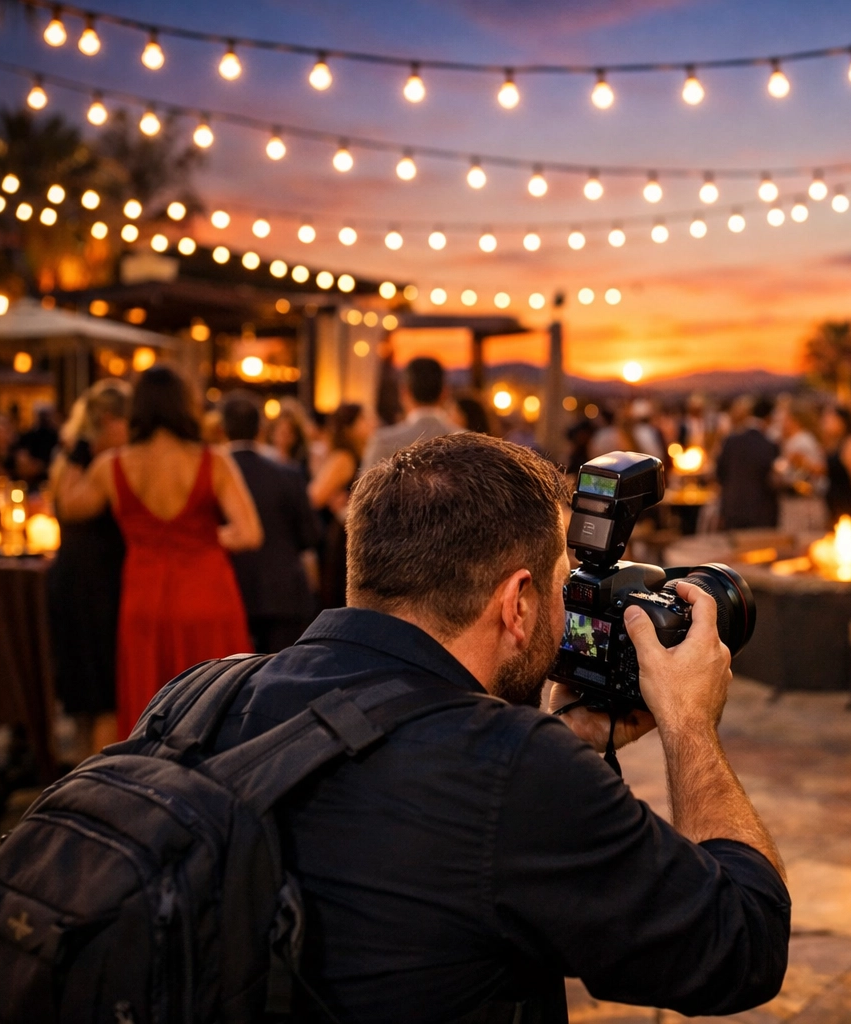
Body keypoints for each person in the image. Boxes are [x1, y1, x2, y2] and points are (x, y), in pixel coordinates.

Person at [205, 432, 790, 1021]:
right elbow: (741, 943)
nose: (571, 615)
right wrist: (689, 723)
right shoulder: (511, 772)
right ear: (517, 602)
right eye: (566, 587)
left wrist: (569, 738)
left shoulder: (205, 695)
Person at [51, 365, 261, 736]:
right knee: (217, 705)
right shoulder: (213, 461)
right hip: (206, 593)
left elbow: (69, 507)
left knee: (149, 709)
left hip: (144, 600)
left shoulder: (111, 465)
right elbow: (249, 534)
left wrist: (77, 447)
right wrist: (201, 540)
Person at [48, 380, 131, 757]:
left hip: (77, 580)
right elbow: (69, 508)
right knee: (98, 691)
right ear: (108, 419)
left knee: (88, 693)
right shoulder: (85, 462)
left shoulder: (73, 459)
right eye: (128, 422)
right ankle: (93, 782)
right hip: (96, 585)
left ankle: (81, 772)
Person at [221, 393, 322, 654]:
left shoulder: (212, 476)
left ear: (221, 429)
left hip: (231, 591)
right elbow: (311, 535)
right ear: (261, 429)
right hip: (285, 594)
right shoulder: (287, 473)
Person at [309, 403, 373, 609]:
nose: (371, 424)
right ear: (349, 427)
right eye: (364, 419)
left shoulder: (357, 453)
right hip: (340, 536)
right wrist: (339, 503)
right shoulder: (344, 457)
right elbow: (313, 496)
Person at [360, 357, 460, 472]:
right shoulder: (468, 442)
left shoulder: (383, 442)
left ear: (404, 391)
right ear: (445, 392)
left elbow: (366, 488)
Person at [715, 396, 780, 530]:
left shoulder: (730, 441)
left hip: (732, 509)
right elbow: (773, 480)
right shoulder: (769, 445)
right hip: (761, 513)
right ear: (769, 417)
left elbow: (720, 473)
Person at [774, 401, 829, 534]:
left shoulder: (802, 440)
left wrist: (801, 463)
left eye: (785, 419)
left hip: (803, 504)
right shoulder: (794, 440)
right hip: (797, 502)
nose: (782, 424)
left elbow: (819, 470)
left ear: (795, 420)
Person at [820, 405, 851, 524]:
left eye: (829, 419)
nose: (824, 423)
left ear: (842, 422)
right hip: (834, 504)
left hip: (847, 504)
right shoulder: (834, 444)